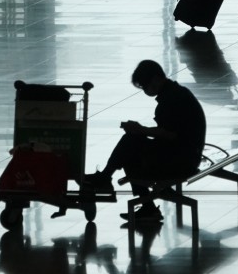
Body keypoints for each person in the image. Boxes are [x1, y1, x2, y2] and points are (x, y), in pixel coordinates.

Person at [82, 60, 206, 224]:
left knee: (131, 144)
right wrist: (140, 131)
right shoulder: (176, 93)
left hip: (182, 161)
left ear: (154, 80)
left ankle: (108, 178)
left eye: (144, 86)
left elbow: (170, 134)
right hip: (187, 154)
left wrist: (141, 130)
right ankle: (111, 180)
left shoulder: (172, 99)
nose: (144, 90)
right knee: (132, 144)